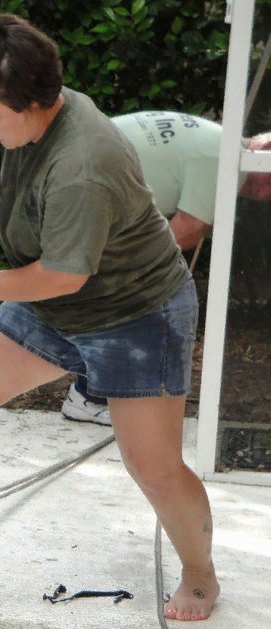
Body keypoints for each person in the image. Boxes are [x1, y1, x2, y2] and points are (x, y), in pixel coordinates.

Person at [0, 14, 219, 621]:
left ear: (36, 102)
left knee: (153, 464)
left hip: (135, 311)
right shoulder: (25, 124)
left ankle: (200, 574)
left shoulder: (82, 164)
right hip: (56, 301)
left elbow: (67, 274)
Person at [61, 113, 271, 426]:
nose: (266, 194)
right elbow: (184, 233)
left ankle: (95, 392)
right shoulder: (223, 159)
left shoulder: (217, 139)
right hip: (78, 196)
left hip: (73, 181)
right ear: (264, 149)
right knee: (150, 294)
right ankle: (90, 396)